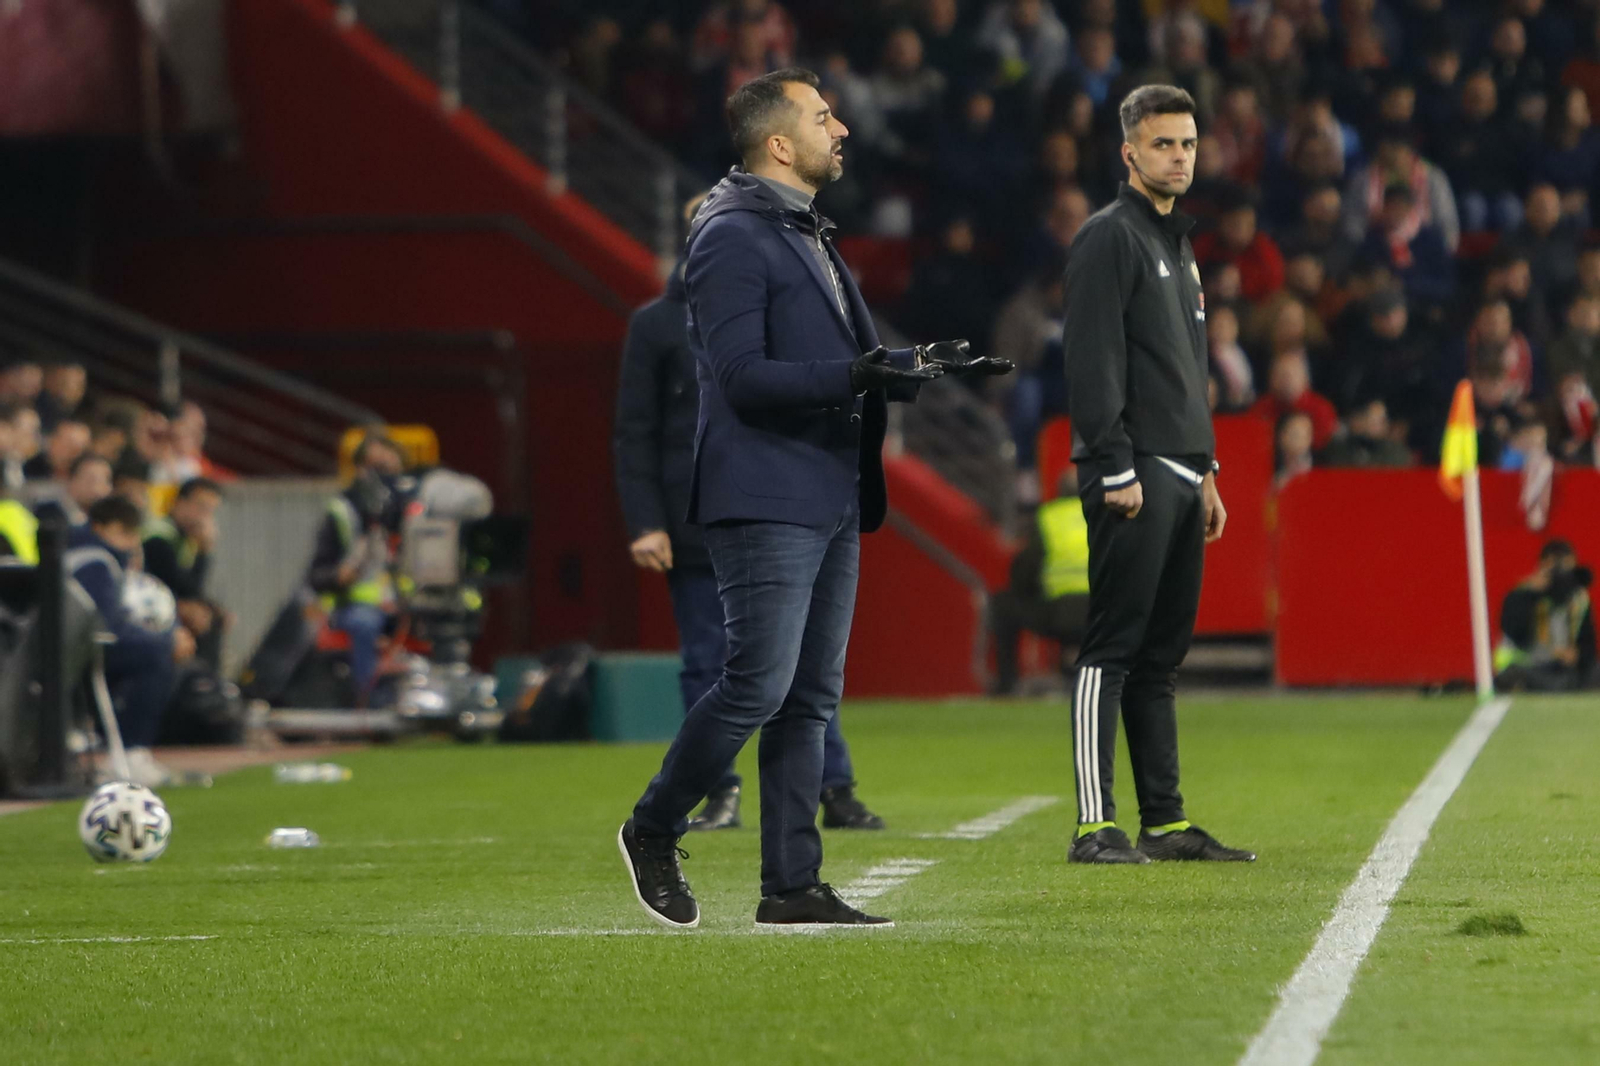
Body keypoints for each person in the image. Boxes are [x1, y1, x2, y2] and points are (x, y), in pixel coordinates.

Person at [618, 67, 1009, 930]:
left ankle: (791, 884)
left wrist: (918, 368)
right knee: (757, 682)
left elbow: (836, 360)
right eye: (825, 116)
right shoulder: (729, 233)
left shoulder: (799, 228)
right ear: (779, 143)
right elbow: (742, 378)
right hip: (764, 487)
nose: (843, 129)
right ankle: (652, 825)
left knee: (808, 699)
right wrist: (855, 373)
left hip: (825, 485)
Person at [613, 198, 885, 834]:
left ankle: (833, 788)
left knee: (801, 666)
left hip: (783, 499)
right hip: (698, 512)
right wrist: (643, 520)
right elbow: (635, 431)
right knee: (724, 664)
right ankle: (715, 794)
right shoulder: (655, 325)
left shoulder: (773, 306)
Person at [1059, 84, 1254, 865]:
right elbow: (1092, 361)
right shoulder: (1109, 237)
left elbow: (1184, 369)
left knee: (1160, 660)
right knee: (1110, 649)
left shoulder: (1177, 241)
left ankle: (1165, 823)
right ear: (1129, 151)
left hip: (1180, 470)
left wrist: (1207, 471)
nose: (1179, 157)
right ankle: (1093, 824)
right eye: (1164, 144)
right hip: (1133, 470)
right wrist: (1112, 467)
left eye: (1188, 144)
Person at [67, 495, 196, 787]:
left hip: (69, 652)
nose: (132, 542)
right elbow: (106, 627)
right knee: (156, 655)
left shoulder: (80, 554)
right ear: (104, 528)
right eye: (126, 533)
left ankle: (126, 751)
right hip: (81, 654)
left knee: (155, 650)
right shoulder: (95, 562)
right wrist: (164, 640)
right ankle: (129, 753)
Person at [305, 434, 404, 702]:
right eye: (377, 469)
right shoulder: (342, 511)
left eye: (391, 470)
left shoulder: (410, 511)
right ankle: (370, 702)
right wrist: (342, 575)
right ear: (360, 469)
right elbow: (316, 576)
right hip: (353, 607)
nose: (385, 480)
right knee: (364, 623)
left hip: (405, 607)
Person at [988, 468, 1091, 696]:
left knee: (1002, 604)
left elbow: (1026, 569)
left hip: (1059, 615)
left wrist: (1029, 592)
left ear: (1059, 491)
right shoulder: (1103, 515)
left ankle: (1007, 686)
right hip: (1102, 618)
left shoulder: (1048, 517)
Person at [144, 477, 226, 670]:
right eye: (201, 507)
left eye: (210, 511)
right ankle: (200, 682)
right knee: (201, 616)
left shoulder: (185, 539)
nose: (204, 517)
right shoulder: (159, 537)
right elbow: (185, 588)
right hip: (150, 607)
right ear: (180, 502)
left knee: (216, 613)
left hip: (168, 601)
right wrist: (205, 552)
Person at [1495, 540, 1596, 691]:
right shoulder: (1520, 594)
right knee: (1515, 676)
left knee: (1593, 672)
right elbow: (1514, 632)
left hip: (1566, 670)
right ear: (1543, 566)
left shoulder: (1578, 600)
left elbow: (1589, 643)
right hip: (1531, 666)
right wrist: (1530, 595)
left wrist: (1578, 655)